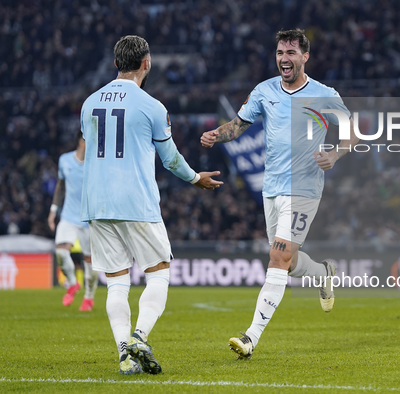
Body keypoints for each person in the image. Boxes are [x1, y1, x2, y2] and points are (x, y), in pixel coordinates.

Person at [201, 29, 357, 360]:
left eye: (290, 53)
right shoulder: (264, 91)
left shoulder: (324, 94)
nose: (283, 59)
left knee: (278, 258)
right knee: (286, 263)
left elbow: (352, 133)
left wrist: (336, 155)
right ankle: (324, 273)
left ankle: (251, 336)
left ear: (304, 57)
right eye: (279, 53)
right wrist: (218, 135)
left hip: (304, 188)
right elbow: (239, 125)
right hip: (270, 189)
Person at [80, 35, 222, 375]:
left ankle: (124, 355)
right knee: (158, 273)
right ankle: (140, 337)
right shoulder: (152, 106)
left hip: (97, 204)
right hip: (136, 201)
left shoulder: (88, 104)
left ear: (115, 64)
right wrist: (195, 178)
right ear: (147, 63)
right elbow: (170, 159)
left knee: (116, 281)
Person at [47, 132, 98, 311]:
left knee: (90, 262)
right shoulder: (65, 160)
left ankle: (89, 297)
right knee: (61, 252)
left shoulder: (96, 164)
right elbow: (60, 187)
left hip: (89, 219)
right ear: (80, 141)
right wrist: (53, 211)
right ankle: (72, 283)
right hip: (68, 216)